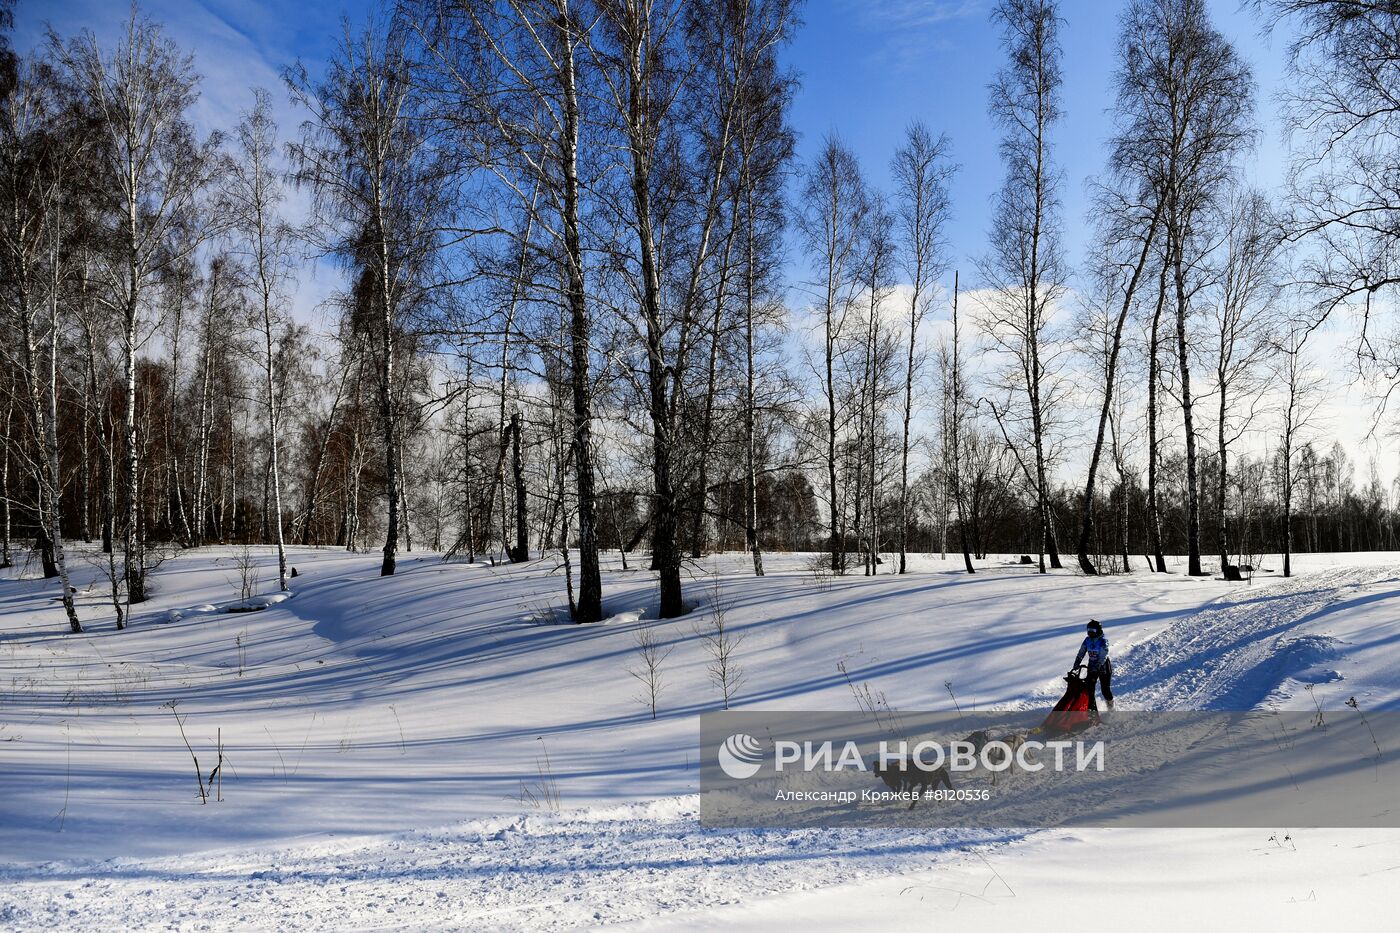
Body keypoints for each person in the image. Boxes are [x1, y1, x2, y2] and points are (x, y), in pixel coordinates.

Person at [1074, 619, 1114, 711]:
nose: (1090, 633)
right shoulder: (1087, 640)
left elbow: (1103, 656)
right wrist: (1077, 662)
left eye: (1093, 630)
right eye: (1089, 630)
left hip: (1104, 667)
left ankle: (1111, 707)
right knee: (1089, 689)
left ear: (1098, 631)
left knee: (1105, 690)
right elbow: (1081, 652)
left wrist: (1098, 666)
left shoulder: (1103, 641)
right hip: (1092, 665)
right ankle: (1091, 709)